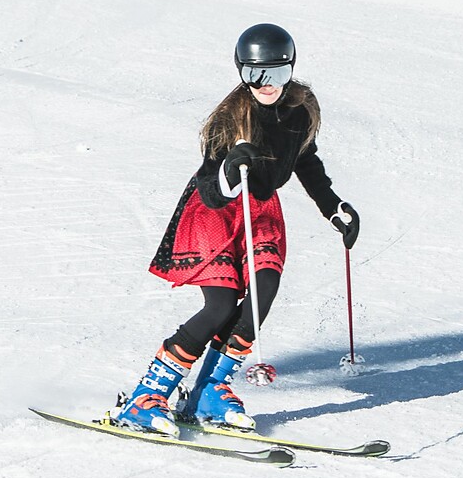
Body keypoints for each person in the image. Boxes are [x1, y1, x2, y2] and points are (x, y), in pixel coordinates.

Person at [113, 23, 360, 435]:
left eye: (277, 73)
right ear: (242, 72)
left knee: (262, 294)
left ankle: (209, 393)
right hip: (215, 213)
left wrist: (333, 208)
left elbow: (305, 162)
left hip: (260, 212)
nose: (267, 84)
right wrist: (230, 170)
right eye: (255, 75)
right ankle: (145, 397)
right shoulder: (230, 120)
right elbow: (210, 189)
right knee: (221, 306)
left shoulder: (299, 112)